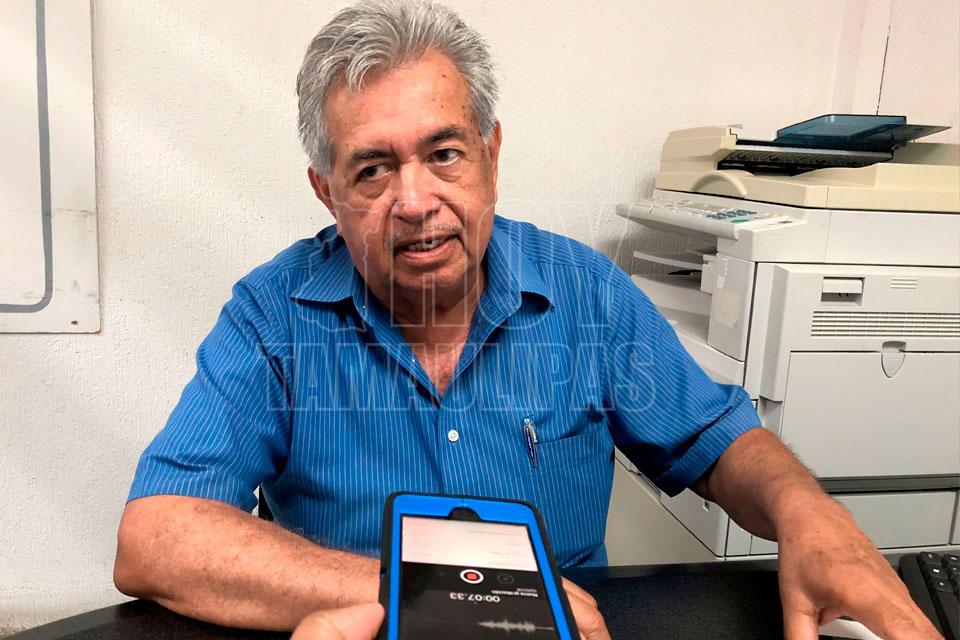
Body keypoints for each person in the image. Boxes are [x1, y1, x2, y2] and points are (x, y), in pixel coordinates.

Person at [112, 2, 939, 639]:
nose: (415, 201)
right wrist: (434, 599)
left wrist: (811, 517)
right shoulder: (271, 316)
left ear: (491, 154)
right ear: (327, 192)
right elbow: (156, 537)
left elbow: (721, 443)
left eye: (444, 153)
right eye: (372, 170)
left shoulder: (587, 295)